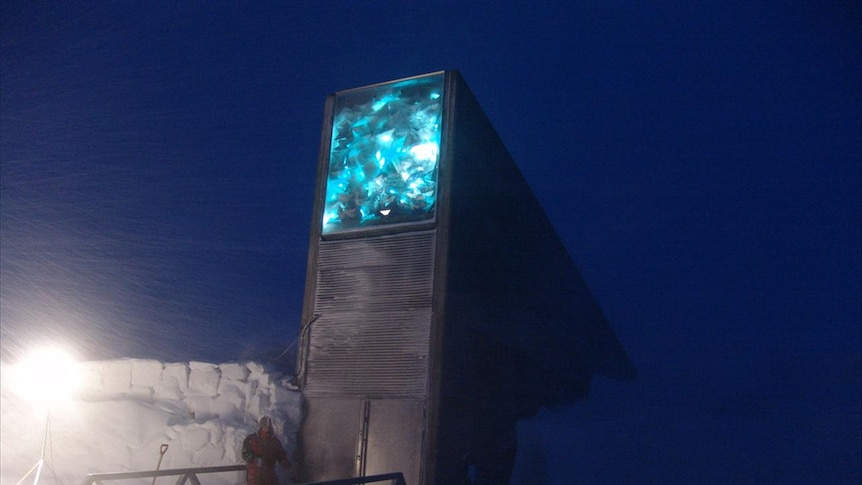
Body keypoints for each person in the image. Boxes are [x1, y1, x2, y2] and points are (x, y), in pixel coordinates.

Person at [242, 416, 290, 485]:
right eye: (264, 427)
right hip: (254, 474)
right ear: (260, 427)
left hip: (269, 473)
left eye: (268, 427)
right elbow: (245, 453)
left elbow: (281, 455)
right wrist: (254, 459)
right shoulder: (251, 439)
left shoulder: (274, 441)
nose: (267, 429)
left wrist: (287, 465)